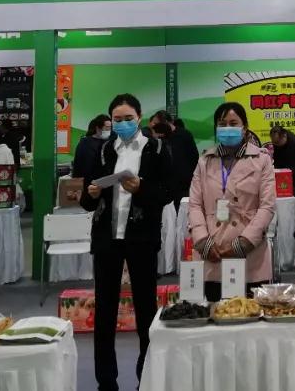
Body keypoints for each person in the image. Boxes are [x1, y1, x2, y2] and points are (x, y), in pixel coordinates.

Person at [80, 94, 171, 391]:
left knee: (146, 309)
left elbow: (167, 193)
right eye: (117, 120)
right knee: (105, 311)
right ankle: (106, 381)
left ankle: (146, 377)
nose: (122, 124)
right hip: (107, 239)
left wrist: (142, 188)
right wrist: (91, 194)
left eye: (128, 118)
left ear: (139, 117)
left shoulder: (156, 149)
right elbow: (86, 198)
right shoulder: (104, 150)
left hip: (142, 239)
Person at [188, 102, 276, 301]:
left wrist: (243, 244)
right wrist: (202, 242)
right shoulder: (205, 161)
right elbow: (194, 204)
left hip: (250, 253)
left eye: (233, 123)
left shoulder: (262, 160)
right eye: (222, 124)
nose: (227, 128)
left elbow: (267, 206)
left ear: (245, 128)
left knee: (251, 313)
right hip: (213, 252)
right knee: (215, 312)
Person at [148, 111, 200, 206]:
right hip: (163, 187)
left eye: (156, 123)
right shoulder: (157, 138)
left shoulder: (184, 135)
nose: (153, 125)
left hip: (184, 186)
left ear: (166, 122)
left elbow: (194, 158)